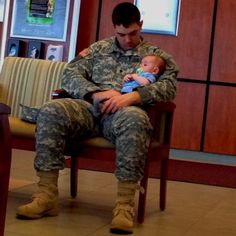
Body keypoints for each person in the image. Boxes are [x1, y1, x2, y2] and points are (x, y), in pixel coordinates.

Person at [16, 2, 179, 234]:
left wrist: (133, 97)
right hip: (90, 110)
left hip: (123, 114)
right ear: (114, 28)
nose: (128, 40)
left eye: (133, 33)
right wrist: (96, 93)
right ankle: (46, 195)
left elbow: (169, 88)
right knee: (53, 109)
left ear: (140, 25)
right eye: (121, 34)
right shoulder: (98, 49)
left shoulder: (157, 58)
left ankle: (124, 206)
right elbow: (69, 74)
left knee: (135, 120)